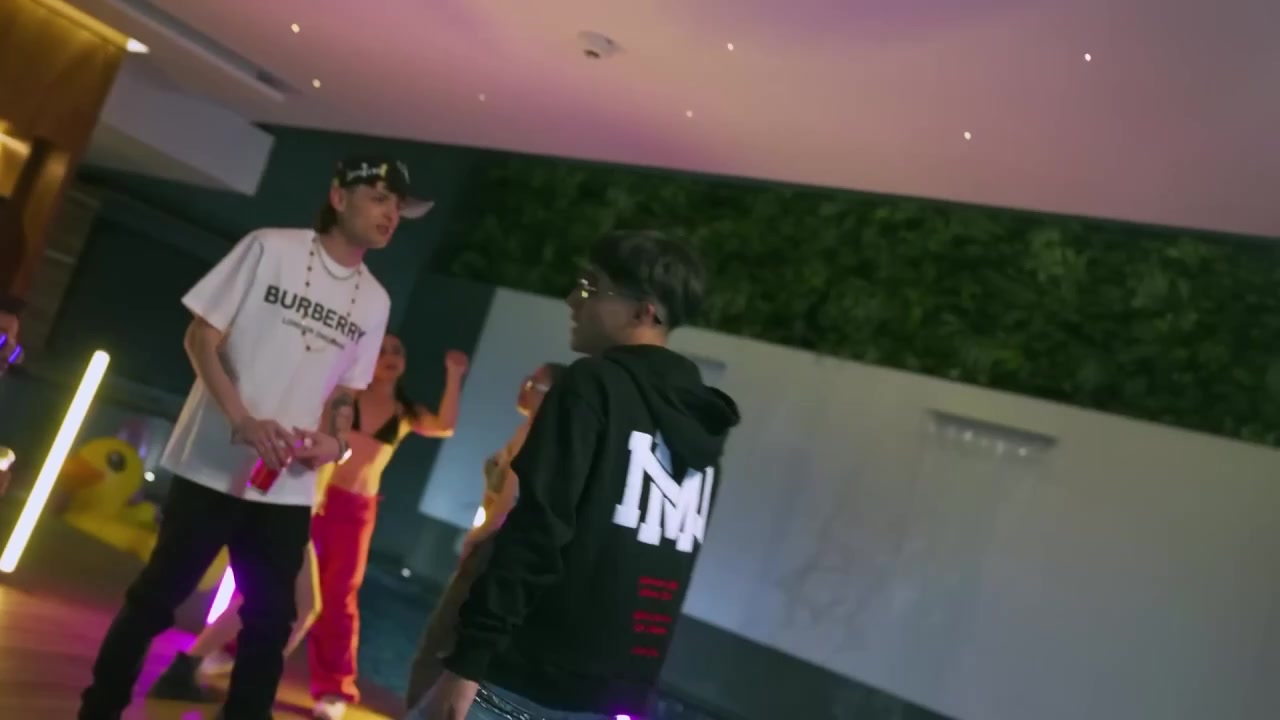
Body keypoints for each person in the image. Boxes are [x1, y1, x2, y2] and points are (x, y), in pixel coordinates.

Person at [79, 155, 432, 720]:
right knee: (155, 600)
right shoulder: (271, 247)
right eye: (379, 197)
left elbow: (345, 392)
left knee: (272, 621)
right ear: (339, 197)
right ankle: (99, 709)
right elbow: (201, 337)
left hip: (287, 486)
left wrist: (335, 442)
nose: (391, 213)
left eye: (398, 205)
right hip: (211, 464)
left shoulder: (375, 300)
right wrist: (240, 418)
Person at [408, 230, 741, 720]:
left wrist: (469, 658)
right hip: (618, 692)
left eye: (591, 286)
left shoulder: (594, 384)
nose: (573, 299)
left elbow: (538, 528)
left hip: (524, 675)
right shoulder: (704, 424)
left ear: (643, 311)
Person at [148, 339, 469, 720]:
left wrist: (454, 375)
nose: (389, 358)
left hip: (354, 511)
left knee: (333, 599)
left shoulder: (403, 411)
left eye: (397, 352)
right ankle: (230, 668)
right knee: (283, 594)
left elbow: (445, 425)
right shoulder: (343, 399)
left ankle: (325, 687)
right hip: (313, 498)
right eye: (382, 351)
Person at [405, 361, 567, 708]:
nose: (524, 386)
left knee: (440, 644)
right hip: (496, 547)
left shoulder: (534, 436)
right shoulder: (533, 433)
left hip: (492, 549)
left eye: (535, 384)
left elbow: (509, 503)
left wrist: (475, 539)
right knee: (454, 651)